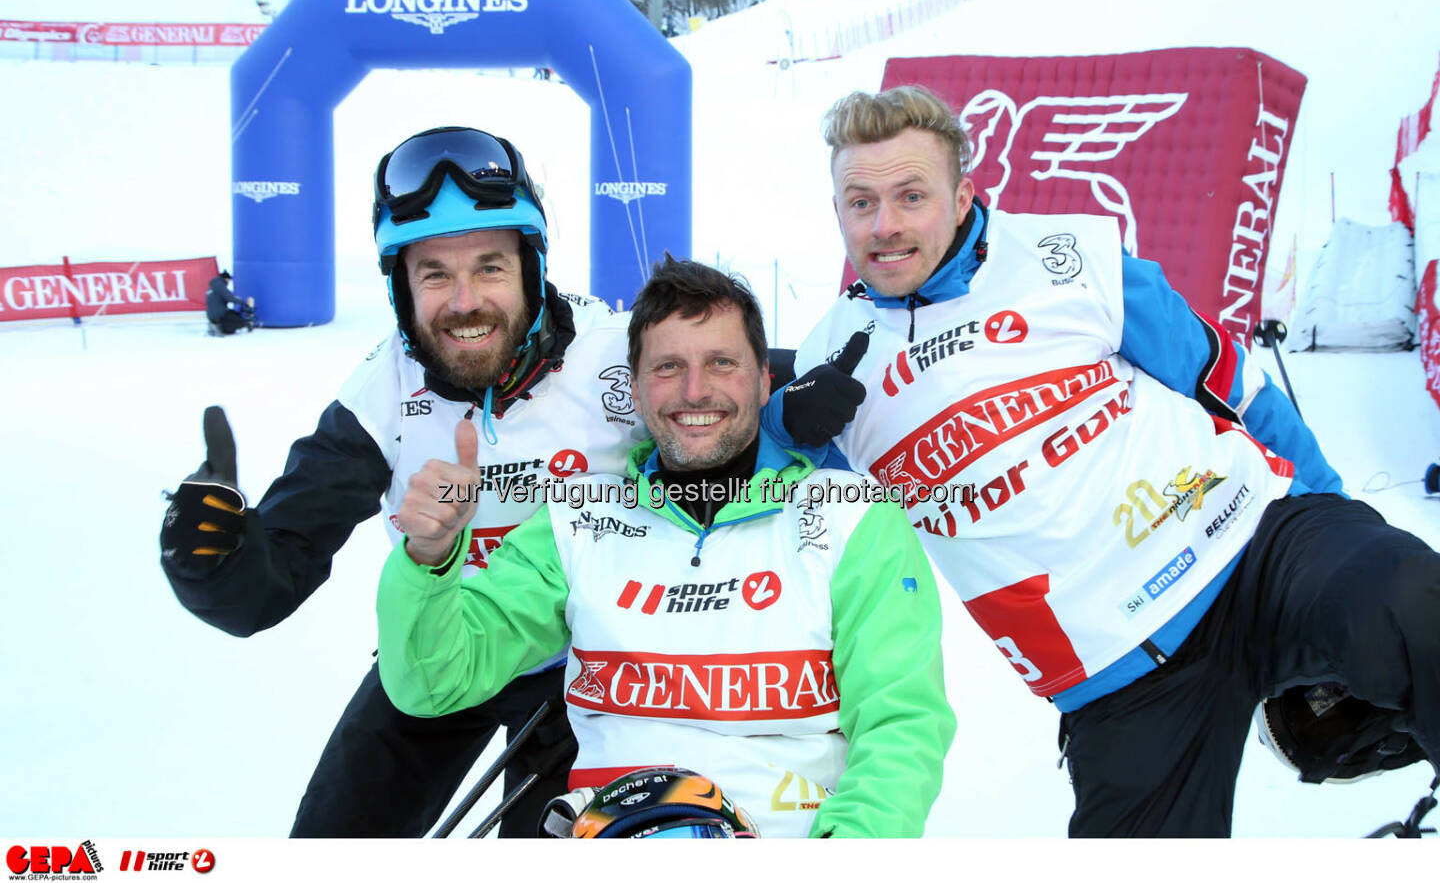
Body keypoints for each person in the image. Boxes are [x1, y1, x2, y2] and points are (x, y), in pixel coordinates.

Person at [764, 84, 1440, 836]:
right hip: (1120, 674)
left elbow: (1222, 378)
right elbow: (745, 501)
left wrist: (1336, 515)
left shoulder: (1069, 256)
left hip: (1255, 548)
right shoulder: (833, 363)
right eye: (860, 202)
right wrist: (779, 429)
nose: (884, 226)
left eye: (911, 196)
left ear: (961, 198)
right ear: (836, 212)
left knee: (1411, 597)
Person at [159, 126, 642, 837]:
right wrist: (216, 561)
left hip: (588, 668)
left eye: (489, 268)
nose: (465, 302)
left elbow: (733, 396)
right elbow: (277, 569)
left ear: (533, 269)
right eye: (435, 275)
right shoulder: (382, 395)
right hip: (442, 649)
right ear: (400, 288)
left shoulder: (618, 356)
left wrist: (793, 402)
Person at [375, 256, 956, 837]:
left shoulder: (850, 517)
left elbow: (900, 728)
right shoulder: (578, 521)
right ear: (634, 387)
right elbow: (434, 682)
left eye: (721, 363)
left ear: (763, 381)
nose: (694, 390)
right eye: (668, 366)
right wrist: (429, 557)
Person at [205, 270, 255, 334]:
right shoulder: (220, 286)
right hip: (219, 315)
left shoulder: (213, 286)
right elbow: (230, 298)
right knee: (238, 321)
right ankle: (219, 327)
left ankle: (215, 325)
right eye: (229, 280)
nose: (229, 282)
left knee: (232, 314)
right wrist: (243, 302)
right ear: (226, 278)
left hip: (211, 315)